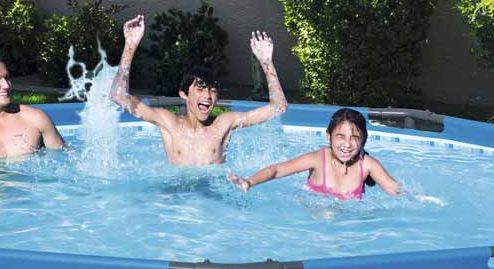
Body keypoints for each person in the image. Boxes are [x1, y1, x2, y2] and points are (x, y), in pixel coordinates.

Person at [109, 14, 288, 165]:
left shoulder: (224, 124)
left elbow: (278, 107)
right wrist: (130, 46)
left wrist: (267, 62)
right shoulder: (168, 122)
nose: (208, 95)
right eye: (201, 88)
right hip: (176, 193)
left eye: (213, 90)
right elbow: (118, 96)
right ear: (184, 94)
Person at [228, 107, 402, 199]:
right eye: (340, 136)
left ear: (363, 140)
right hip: (316, 223)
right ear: (328, 136)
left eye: (355, 137)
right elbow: (277, 170)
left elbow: (395, 190)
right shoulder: (318, 159)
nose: (347, 144)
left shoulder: (367, 164)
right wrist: (249, 181)